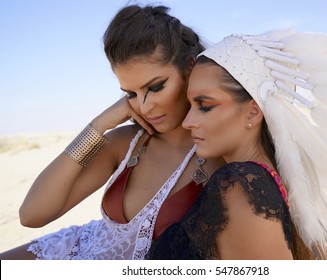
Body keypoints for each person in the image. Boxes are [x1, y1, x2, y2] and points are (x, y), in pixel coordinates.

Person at [0, 4, 223, 260]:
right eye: (131, 94)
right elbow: (32, 215)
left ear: (189, 66)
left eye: (156, 86)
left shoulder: (221, 150)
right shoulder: (127, 143)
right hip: (79, 249)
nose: (144, 106)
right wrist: (100, 124)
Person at [145, 30, 327, 259]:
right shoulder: (266, 185)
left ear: (253, 112)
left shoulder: (239, 186)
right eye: (190, 106)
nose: (188, 122)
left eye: (205, 106)